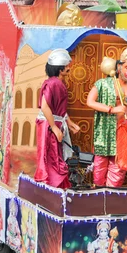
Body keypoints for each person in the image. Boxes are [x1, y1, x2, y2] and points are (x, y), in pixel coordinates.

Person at [86, 41, 127, 187]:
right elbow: (90, 101)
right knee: (99, 171)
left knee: (118, 171)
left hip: (124, 132)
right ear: (119, 66)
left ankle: (112, 200)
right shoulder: (103, 84)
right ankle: (99, 200)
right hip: (105, 130)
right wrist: (112, 109)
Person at [35, 49, 80, 188]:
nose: (69, 69)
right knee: (50, 155)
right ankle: (49, 185)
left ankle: (56, 185)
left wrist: (70, 123)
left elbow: (60, 110)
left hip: (54, 123)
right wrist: (54, 127)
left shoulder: (57, 83)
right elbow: (45, 106)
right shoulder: (53, 83)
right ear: (61, 70)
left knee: (55, 155)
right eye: (67, 66)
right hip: (48, 126)